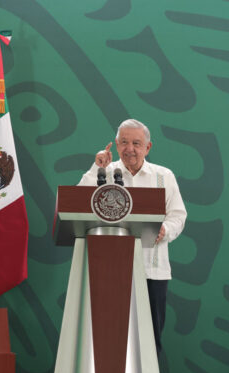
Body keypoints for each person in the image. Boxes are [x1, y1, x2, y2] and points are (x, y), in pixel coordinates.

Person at [78, 119, 187, 357]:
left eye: (137, 143)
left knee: (150, 339)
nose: (130, 149)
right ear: (116, 145)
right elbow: (78, 202)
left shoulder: (163, 176)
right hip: (110, 270)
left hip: (152, 270)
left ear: (148, 147)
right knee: (109, 336)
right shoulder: (104, 173)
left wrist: (164, 230)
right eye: (124, 142)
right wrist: (95, 167)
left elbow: (178, 216)